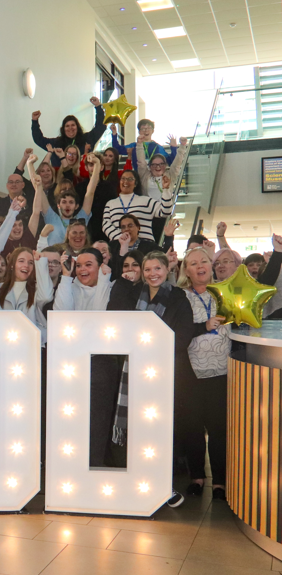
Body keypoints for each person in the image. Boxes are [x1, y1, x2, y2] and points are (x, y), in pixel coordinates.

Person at [107, 250, 194, 507]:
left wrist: (155, 352)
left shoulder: (179, 297)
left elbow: (184, 335)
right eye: (147, 270)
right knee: (132, 428)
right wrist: (124, 281)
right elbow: (115, 313)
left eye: (157, 269)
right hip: (131, 371)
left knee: (156, 430)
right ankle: (134, 481)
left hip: (161, 371)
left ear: (168, 270)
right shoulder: (134, 292)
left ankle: (160, 486)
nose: (152, 274)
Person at [177, 247, 229, 501]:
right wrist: (204, 326)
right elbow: (179, 331)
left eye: (204, 261)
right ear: (186, 270)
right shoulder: (180, 297)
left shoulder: (225, 293)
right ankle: (197, 477)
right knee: (192, 428)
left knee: (220, 429)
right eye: (193, 263)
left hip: (222, 373)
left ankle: (220, 482)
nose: (200, 266)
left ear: (211, 265)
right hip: (190, 375)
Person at [0, 248, 55, 344]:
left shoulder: (37, 289)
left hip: (31, 345)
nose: (26, 265)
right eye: (21, 261)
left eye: (30, 263)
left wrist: (41, 263)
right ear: (12, 265)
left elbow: (46, 296)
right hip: (3, 344)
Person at [38, 154, 101, 246]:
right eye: (64, 202)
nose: (67, 205)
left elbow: (90, 193)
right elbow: (39, 190)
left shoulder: (81, 218)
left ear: (76, 206)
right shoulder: (51, 217)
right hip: (52, 259)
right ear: (58, 204)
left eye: (71, 202)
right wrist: (30, 165)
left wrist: (97, 165)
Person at [30, 98, 106, 168]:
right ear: (63, 129)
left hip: (83, 178)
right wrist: (34, 121)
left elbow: (100, 127)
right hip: (60, 179)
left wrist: (98, 107)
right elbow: (38, 139)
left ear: (77, 127)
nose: (70, 128)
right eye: (67, 126)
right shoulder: (56, 143)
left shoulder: (87, 139)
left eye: (73, 125)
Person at [101, 171, 174, 242]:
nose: (126, 182)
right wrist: (121, 239)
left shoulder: (146, 201)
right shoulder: (110, 204)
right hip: (118, 247)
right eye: (123, 179)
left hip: (144, 246)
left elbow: (165, 212)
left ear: (135, 183)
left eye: (130, 179)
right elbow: (105, 225)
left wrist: (166, 190)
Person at [136, 135, 188, 200]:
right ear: (150, 166)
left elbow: (177, 163)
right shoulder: (145, 175)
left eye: (161, 164)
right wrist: (139, 144)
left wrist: (182, 146)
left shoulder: (170, 175)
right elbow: (141, 162)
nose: (158, 167)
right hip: (148, 209)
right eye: (154, 164)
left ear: (165, 165)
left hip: (166, 209)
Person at [110, 119, 178, 164]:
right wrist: (114, 134)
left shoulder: (158, 147)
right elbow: (117, 150)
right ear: (139, 131)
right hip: (138, 177)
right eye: (143, 129)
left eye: (148, 128)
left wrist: (174, 147)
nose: (146, 130)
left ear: (153, 131)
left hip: (153, 178)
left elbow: (171, 161)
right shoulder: (134, 146)